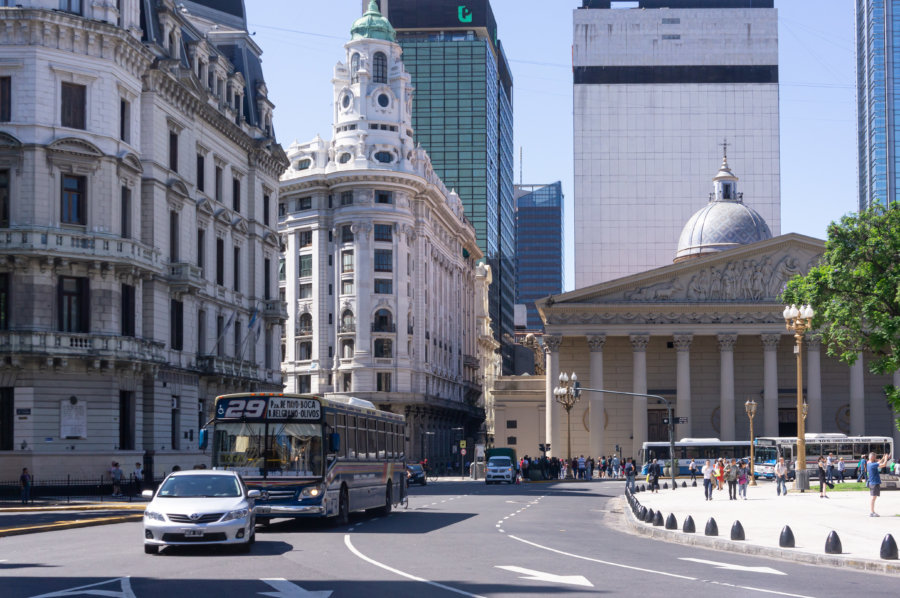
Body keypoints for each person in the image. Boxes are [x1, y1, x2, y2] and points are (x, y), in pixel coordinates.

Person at [867, 451, 892, 517]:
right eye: (875, 457)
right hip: (874, 483)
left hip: (872, 482)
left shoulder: (869, 463)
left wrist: (883, 458)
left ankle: (872, 512)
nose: (876, 458)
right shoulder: (873, 464)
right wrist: (886, 459)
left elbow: (878, 462)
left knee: (873, 498)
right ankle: (872, 512)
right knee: (873, 498)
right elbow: (883, 465)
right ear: (872, 457)